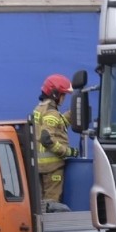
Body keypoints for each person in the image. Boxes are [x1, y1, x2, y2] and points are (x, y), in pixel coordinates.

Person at [33, 74, 78, 204]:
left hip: (39, 166)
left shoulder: (39, 109)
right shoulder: (51, 113)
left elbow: (56, 125)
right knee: (51, 204)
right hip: (52, 168)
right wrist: (68, 152)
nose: (64, 98)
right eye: (63, 95)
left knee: (40, 204)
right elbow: (47, 138)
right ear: (55, 95)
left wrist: (72, 112)